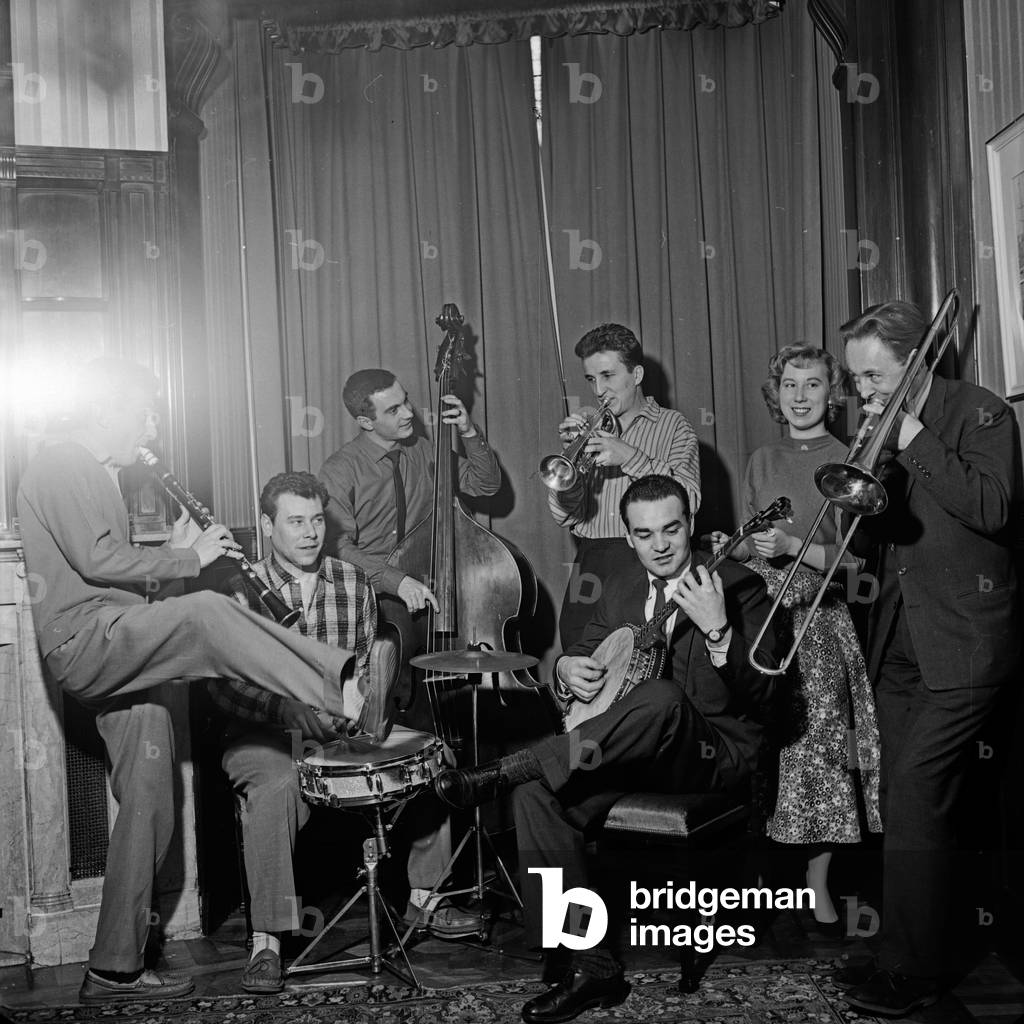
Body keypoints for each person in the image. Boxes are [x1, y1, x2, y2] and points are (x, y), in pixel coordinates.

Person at [15, 358, 386, 1004]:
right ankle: (344, 687)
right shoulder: (61, 460)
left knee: (152, 795)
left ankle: (115, 965)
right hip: (89, 642)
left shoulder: (102, 474)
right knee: (212, 615)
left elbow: (123, 574)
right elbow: (97, 560)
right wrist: (194, 557)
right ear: (111, 407)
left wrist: (177, 557)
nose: (154, 426)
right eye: (147, 412)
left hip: (126, 650)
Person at [434, 475, 779, 1024]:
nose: (660, 545)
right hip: (631, 754)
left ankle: (506, 767)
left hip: (709, 754)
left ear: (691, 522)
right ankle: (591, 967)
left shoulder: (740, 587)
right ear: (628, 536)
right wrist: (566, 668)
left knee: (661, 696)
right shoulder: (618, 582)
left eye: (671, 529)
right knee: (535, 797)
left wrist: (719, 635)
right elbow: (582, 655)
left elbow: (770, 698)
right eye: (645, 535)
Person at [210, 472, 475, 993]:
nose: (309, 533)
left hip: (342, 732)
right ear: (267, 526)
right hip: (264, 735)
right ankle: (267, 939)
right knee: (278, 786)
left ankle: (426, 899)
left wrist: (364, 703)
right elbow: (222, 686)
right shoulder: (238, 590)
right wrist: (282, 707)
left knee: (431, 754)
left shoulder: (351, 582)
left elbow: (366, 669)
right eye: (294, 522)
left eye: (315, 521)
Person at [830, 301, 1020, 1016]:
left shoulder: (983, 414)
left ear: (916, 362)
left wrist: (910, 436)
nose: (865, 393)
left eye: (874, 377)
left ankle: (914, 972)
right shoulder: (884, 427)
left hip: (966, 644)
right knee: (900, 801)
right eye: (857, 381)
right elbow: (885, 542)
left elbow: (995, 506)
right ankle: (904, 949)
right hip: (900, 639)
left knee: (914, 796)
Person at [318, 367, 502, 936]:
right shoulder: (341, 469)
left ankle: (429, 892)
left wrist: (468, 432)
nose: (410, 414)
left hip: (436, 595)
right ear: (363, 418)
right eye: (394, 409)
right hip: (379, 604)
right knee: (398, 737)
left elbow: (486, 486)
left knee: (440, 742)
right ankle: (384, 886)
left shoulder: (425, 449)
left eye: (407, 403)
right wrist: (395, 582)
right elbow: (338, 546)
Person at [710, 345, 880, 933]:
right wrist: (735, 546)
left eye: (812, 385)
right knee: (759, 743)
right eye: (789, 385)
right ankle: (760, 880)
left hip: (821, 619)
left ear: (833, 394)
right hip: (762, 614)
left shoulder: (848, 457)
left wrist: (793, 549)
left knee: (820, 752)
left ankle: (817, 883)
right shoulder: (761, 458)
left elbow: (860, 565)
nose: (800, 396)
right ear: (775, 392)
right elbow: (749, 544)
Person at [547, 324, 701, 651]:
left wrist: (629, 456)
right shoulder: (591, 429)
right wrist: (571, 469)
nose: (599, 390)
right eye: (591, 379)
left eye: (608, 375)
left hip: (645, 559)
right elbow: (566, 516)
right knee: (578, 652)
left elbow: (690, 498)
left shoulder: (673, 426)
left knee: (639, 663)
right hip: (591, 559)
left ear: (637, 374)